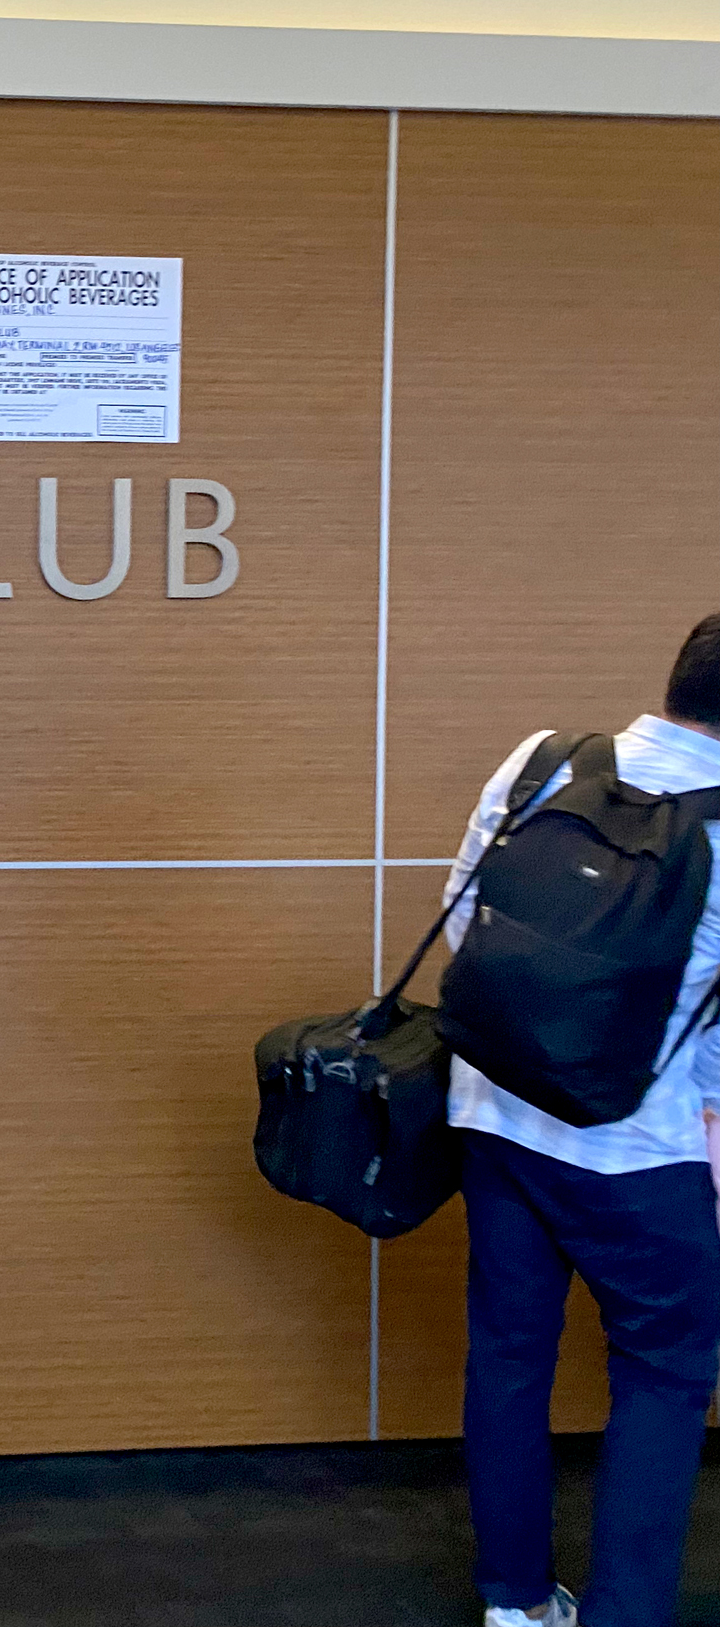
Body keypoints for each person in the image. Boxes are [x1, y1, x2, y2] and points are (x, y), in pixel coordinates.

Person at [447, 614, 720, 1627]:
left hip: (493, 1108)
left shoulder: (542, 764)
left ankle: (515, 1603)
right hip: (634, 1148)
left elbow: (466, 914)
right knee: (664, 1372)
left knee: (508, 1351)